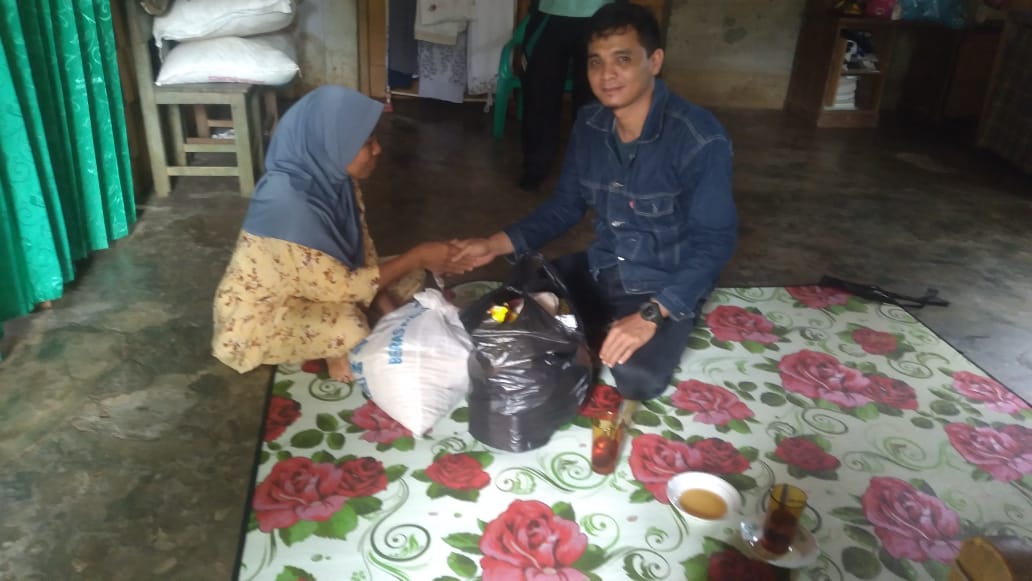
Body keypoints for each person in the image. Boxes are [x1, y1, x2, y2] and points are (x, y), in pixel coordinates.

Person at [454, 4, 738, 401]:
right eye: (595, 62)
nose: (606, 75)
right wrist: (493, 244)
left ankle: (647, 321)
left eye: (622, 59)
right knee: (508, 307)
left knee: (637, 378)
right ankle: (590, 325)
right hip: (604, 267)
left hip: (662, 283)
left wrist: (652, 314)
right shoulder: (589, 124)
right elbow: (566, 206)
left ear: (654, 61)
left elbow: (715, 242)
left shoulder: (698, 138)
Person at [212, 86, 473, 382]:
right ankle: (332, 348)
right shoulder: (288, 207)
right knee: (351, 326)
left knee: (411, 277)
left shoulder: (337, 182)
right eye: (368, 143)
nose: (378, 150)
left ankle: (341, 332)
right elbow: (343, 288)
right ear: (332, 146)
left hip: (319, 288)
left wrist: (393, 319)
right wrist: (418, 256)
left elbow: (363, 255)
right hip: (259, 318)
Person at [518, 0, 613, 190]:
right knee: (539, 95)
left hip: (601, 15)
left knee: (594, 101)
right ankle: (535, 167)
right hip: (550, 12)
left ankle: (591, 171)